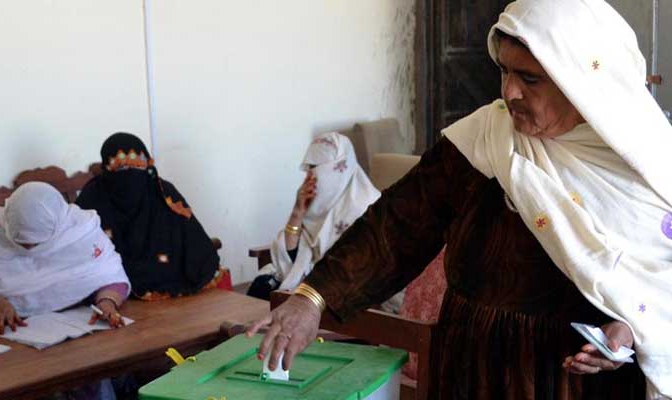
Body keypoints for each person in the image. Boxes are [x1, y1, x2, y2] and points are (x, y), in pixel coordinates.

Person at [249, 0, 672, 398]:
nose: (510, 93)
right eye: (504, 71)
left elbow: (660, 280)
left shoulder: (646, 167)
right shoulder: (486, 140)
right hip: (472, 367)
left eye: (530, 78)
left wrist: (631, 330)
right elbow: (396, 227)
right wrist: (313, 297)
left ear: (583, 82)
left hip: (574, 382)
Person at [0, 182, 130, 400]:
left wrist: (107, 301)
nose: (29, 249)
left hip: (77, 332)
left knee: (90, 373)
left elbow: (110, 273)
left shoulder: (80, 230)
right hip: (9, 339)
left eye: (37, 243)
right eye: (21, 242)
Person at [76, 133, 221, 301]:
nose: (130, 174)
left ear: (148, 166)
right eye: (121, 168)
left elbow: (193, 238)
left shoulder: (163, 192)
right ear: (107, 170)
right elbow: (73, 247)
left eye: (138, 166)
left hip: (169, 281)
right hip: (112, 289)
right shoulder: (93, 197)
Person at [248, 132, 390, 301]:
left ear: (340, 168)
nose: (311, 176)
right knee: (259, 292)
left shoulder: (368, 207)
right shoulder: (316, 204)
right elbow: (291, 257)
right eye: (309, 167)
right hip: (311, 283)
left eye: (318, 168)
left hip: (343, 292)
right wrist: (297, 212)